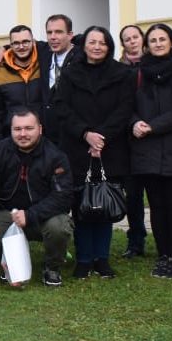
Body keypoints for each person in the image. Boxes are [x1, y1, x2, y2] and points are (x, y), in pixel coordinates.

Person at [54, 27, 134, 280]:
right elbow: (62, 108)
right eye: (92, 42)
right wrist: (85, 134)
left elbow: (125, 108)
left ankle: (102, 258)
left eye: (102, 42)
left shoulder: (122, 74)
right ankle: (83, 259)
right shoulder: (69, 74)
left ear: (109, 46)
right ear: (84, 45)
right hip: (78, 147)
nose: (97, 46)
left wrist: (102, 137)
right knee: (82, 206)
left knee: (105, 204)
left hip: (110, 148)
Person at [129, 24, 172, 279]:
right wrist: (134, 123)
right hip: (146, 151)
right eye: (153, 40)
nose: (158, 43)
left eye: (162, 39)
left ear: (171, 42)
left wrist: (154, 126)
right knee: (156, 206)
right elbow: (128, 105)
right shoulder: (139, 73)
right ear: (147, 45)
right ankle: (162, 256)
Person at [0, 108, 75, 287]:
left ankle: (52, 267)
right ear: (11, 130)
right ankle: (13, 262)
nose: (22, 134)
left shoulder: (56, 156)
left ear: (40, 129)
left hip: (42, 217)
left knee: (59, 228)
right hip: (9, 213)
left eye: (29, 128)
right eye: (17, 129)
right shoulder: (0, 150)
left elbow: (63, 197)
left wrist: (30, 215)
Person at [0, 25, 52, 154]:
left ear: (33, 42)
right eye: (16, 43)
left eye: (25, 42)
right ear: (11, 46)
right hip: (12, 145)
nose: (21, 46)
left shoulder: (45, 63)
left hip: (46, 143)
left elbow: (71, 41)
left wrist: (5, 47)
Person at [117, 24, 148, 257]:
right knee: (133, 195)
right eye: (127, 39)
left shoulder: (157, 64)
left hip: (153, 135)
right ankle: (135, 239)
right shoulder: (118, 70)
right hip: (127, 140)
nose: (132, 41)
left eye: (135, 37)